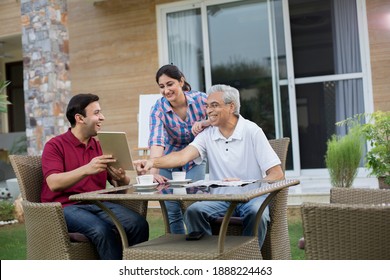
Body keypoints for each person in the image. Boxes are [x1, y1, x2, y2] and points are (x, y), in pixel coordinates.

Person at [135, 84, 284, 247]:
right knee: (194, 212)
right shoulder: (207, 134)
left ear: (231, 107)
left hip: (252, 197)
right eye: (207, 106)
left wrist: (246, 183)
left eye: (214, 105)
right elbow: (182, 156)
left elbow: (277, 174)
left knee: (257, 214)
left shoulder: (252, 131)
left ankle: (248, 259)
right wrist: (152, 162)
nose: (208, 110)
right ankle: (211, 257)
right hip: (221, 199)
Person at [41, 93, 149, 260]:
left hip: (99, 204)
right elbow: (53, 183)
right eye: (97, 113)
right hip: (65, 207)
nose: (102, 117)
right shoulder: (55, 145)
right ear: (80, 118)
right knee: (102, 230)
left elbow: (120, 186)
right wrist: (87, 169)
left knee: (138, 224)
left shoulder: (100, 146)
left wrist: (120, 178)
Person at [148, 64, 210, 234]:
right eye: (162, 86)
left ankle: (200, 246)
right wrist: (153, 171)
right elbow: (157, 140)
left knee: (193, 205)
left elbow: (220, 114)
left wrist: (204, 122)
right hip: (169, 157)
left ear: (181, 81)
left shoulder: (201, 100)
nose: (166, 90)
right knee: (172, 208)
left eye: (170, 84)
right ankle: (179, 249)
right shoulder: (158, 109)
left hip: (195, 156)